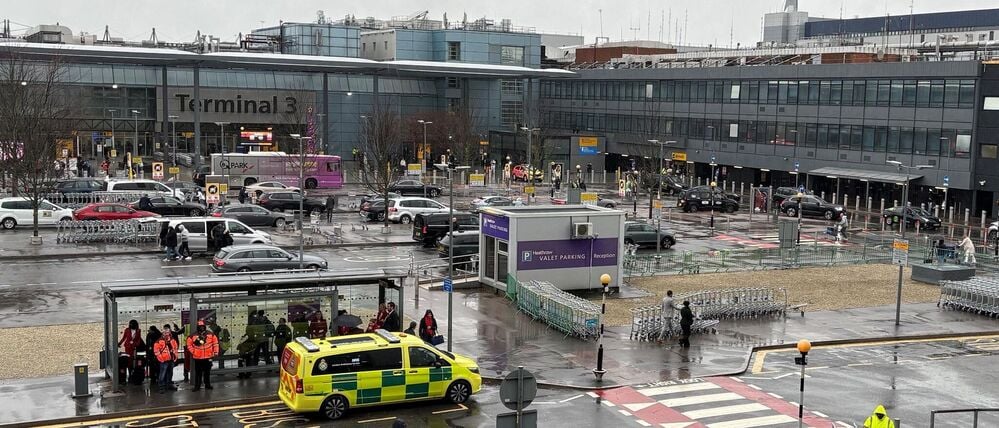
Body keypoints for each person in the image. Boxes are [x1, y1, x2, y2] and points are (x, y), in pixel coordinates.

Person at [186, 320, 219, 391]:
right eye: (200, 327)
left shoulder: (211, 334)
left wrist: (215, 352)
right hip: (198, 357)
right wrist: (194, 352)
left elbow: (215, 344)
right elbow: (189, 345)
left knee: (207, 372)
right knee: (198, 373)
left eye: (203, 326)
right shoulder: (192, 336)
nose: (202, 328)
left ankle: (207, 385)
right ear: (198, 327)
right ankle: (197, 386)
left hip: (208, 356)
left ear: (205, 327)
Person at [117, 319, 143, 385]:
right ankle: (130, 375)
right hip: (128, 347)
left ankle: (132, 375)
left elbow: (139, 339)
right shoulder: (127, 330)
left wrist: (135, 344)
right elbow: (124, 338)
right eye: (130, 324)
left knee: (133, 361)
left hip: (134, 348)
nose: (131, 325)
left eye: (132, 324)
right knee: (129, 361)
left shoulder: (138, 331)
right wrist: (119, 343)